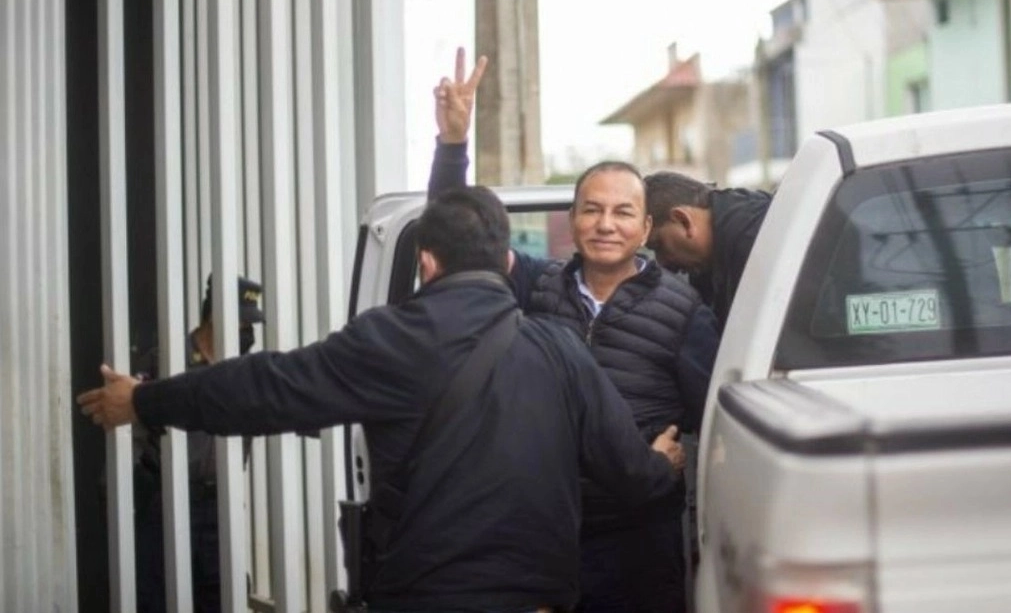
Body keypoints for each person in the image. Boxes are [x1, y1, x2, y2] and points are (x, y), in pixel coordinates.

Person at [81, 185, 686, 613]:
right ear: (507, 261)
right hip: (537, 598)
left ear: (425, 262)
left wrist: (145, 401)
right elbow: (629, 473)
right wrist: (663, 463)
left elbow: (263, 387)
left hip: (425, 593)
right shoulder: (559, 349)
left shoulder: (388, 341)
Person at [432, 48, 718, 613]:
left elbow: (714, 423)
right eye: (591, 209)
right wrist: (452, 146)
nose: (605, 224)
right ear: (572, 219)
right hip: (544, 534)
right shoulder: (536, 289)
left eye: (621, 212)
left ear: (644, 228)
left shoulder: (685, 311)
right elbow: (455, 231)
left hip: (641, 540)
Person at [131, 274, 265, 613]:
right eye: (241, 322)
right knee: (159, 599)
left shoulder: (244, 372)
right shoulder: (167, 362)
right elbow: (131, 437)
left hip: (221, 506)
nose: (247, 333)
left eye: (250, 324)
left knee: (224, 598)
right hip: (168, 503)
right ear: (214, 316)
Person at [644, 171, 772, 332]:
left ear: (683, 220)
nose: (663, 263)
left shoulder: (757, 243)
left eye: (658, 245)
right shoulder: (719, 258)